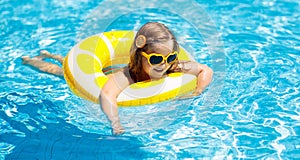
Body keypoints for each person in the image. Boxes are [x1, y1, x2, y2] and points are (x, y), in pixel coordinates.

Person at [22, 22, 213, 135]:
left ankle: (53, 55)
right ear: (141, 56)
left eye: (171, 57)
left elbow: (205, 70)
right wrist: (115, 122)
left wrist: (198, 91)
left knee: (63, 64)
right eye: (156, 59)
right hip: (103, 74)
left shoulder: (172, 66)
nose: (164, 64)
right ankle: (33, 60)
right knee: (61, 72)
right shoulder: (128, 75)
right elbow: (107, 94)